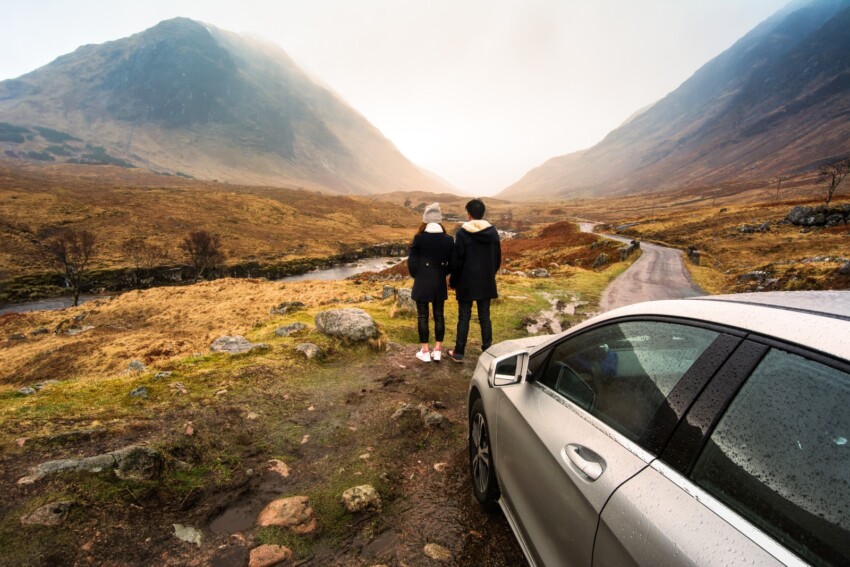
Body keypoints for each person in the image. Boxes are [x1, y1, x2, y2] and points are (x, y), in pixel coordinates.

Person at [447, 198, 501, 363]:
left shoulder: (462, 234)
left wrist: (453, 282)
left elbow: (457, 261)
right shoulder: (492, 232)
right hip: (486, 282)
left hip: (466, 283)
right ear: (482, 213)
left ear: (469, 214)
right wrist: (490, 274)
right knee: (485, 316)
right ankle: (488, 352)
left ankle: (459, 352)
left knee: (464, 317)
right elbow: (497, 258)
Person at [407, 202, 454, 363]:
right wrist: (442, 272)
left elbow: (411, 262)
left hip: (422, 281)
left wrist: (418, 275)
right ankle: (438, 350)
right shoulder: (448, 239)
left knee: (423, 315)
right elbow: (453, 263)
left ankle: (425, 351)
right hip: (439, 282)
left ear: (425, 220)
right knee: (439, 315)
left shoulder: (419, 238)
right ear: (439, 220)